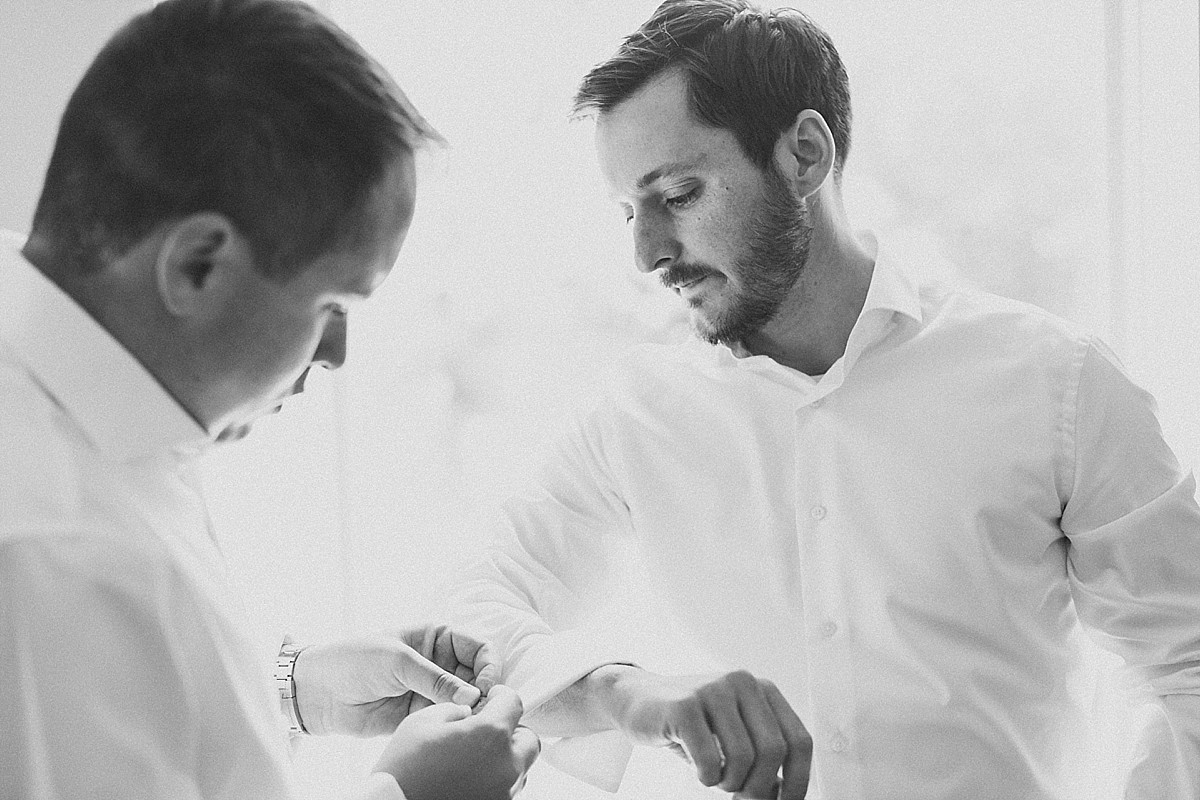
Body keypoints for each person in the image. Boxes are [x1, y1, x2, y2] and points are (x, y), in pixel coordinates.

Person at [441, 1, 1200, 798]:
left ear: (804, 154)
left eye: (680, 193)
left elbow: (1189, 659)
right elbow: (470, 615)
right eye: (631, 212)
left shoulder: (1054, 381)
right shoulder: (635, 414)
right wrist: (622, 693)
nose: (646, 254)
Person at [0, 1, 538, 798]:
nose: (338, 355)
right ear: (197, 266)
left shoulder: (77, 399)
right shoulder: (60, 563)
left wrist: (288, 689)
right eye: (334, 307)